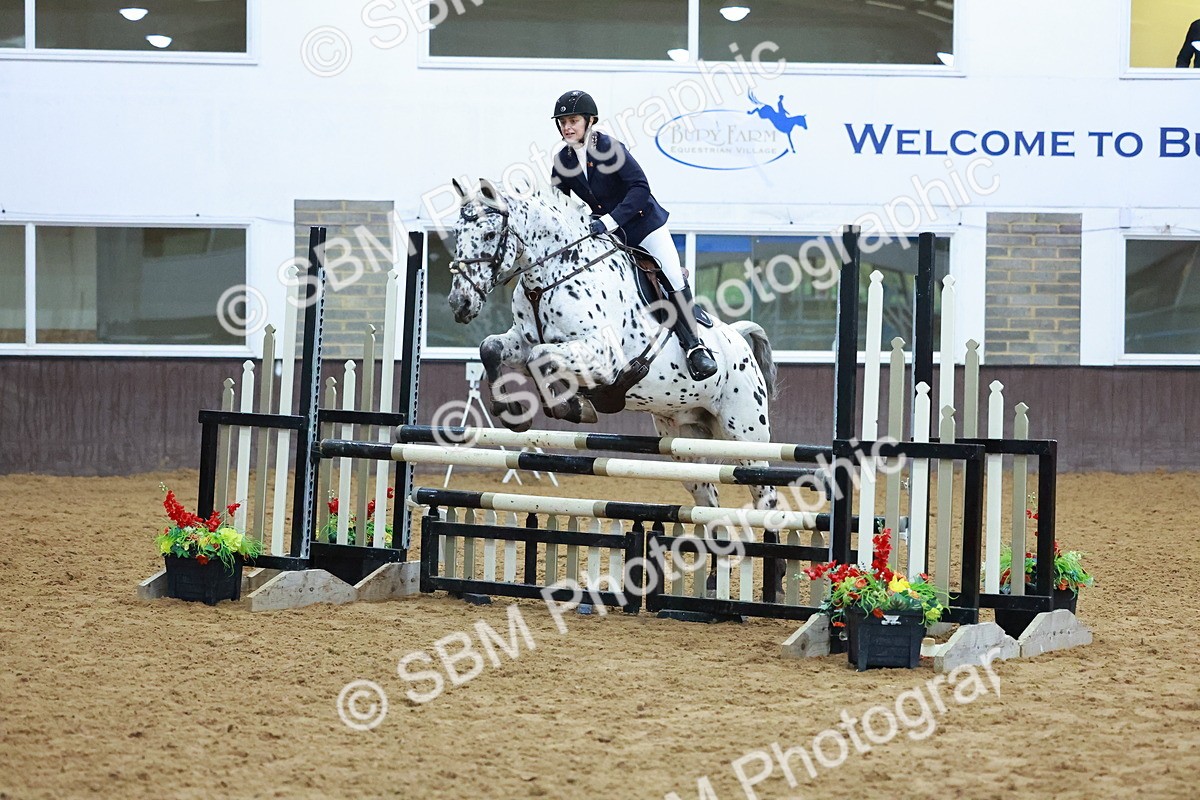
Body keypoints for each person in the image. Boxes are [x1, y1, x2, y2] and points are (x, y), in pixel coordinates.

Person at [549, 90, 718, 381]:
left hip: (644, 226)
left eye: (573, 120)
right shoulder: (562, 161)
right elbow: (557, 203)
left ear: (590, 122)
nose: (567, 127)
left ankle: (695, 347)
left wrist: (610, 221)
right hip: (608, 236)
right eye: (562, 121)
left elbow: (640, 188)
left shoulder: (609, 148)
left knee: (672, 278)